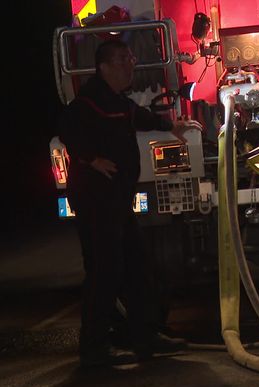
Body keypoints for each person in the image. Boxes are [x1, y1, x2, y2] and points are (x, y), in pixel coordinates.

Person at [59, 39, 202, 367]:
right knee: (104, 272)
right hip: (98, 201)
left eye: (131, 57)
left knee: (138, 268)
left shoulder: (115, 101)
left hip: (116, 201)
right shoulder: (90, 101)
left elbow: (138, 117)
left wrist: (172, 125)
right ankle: (94, 347)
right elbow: (67, 128)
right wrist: (91, 158)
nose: (132, 64)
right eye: (123, 59)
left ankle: (146, 337)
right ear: (104, 67)